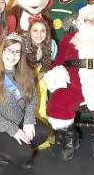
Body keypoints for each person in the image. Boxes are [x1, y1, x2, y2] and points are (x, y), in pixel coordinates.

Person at [44, 4, 94, 161]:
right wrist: (57, 72)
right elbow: (59, 61)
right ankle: (70, 138)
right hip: (72, 82)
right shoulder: (68, 39)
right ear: (81, 21)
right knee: (57, 104)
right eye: (87, 20)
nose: (90, 23)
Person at [0, 32, 49, 169]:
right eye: (8, 51)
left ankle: (17, 149)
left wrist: (28, 121)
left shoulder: (26, 72)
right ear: (1, 51)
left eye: (17, 52)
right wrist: (14, 130)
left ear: (21, 54)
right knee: (26, 154)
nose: (12, 56)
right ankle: (0, 151)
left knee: (43, 132)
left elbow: (31, 98)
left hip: (18, 119)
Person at [24, 17, 57, 149]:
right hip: (24, 76)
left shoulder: (51, 46)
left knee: (42, 101)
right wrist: (31, 81)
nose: (39, 34)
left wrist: (37, 79)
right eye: (35, 30)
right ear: (29, 32)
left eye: (43, 31)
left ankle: (39, 136)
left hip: (40, 75)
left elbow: (46, 67)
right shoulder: (23, 46)